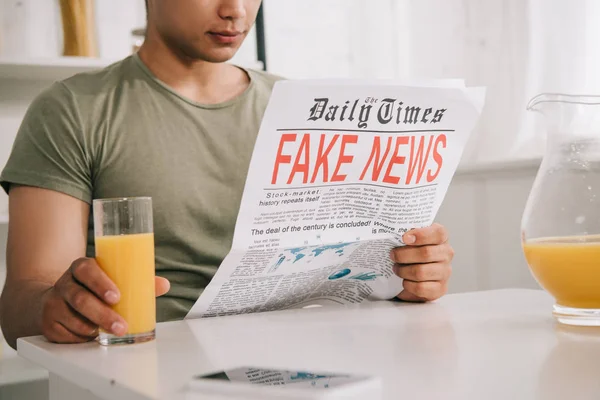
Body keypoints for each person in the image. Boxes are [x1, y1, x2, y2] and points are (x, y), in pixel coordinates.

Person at [0, 0, 454, 349]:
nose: (236, 11)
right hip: (148, 366)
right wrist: (57, 307)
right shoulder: (74, 111)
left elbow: (355, 276)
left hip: (311, 359)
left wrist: (410, 275)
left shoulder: (301, 107)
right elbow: (23, 303)